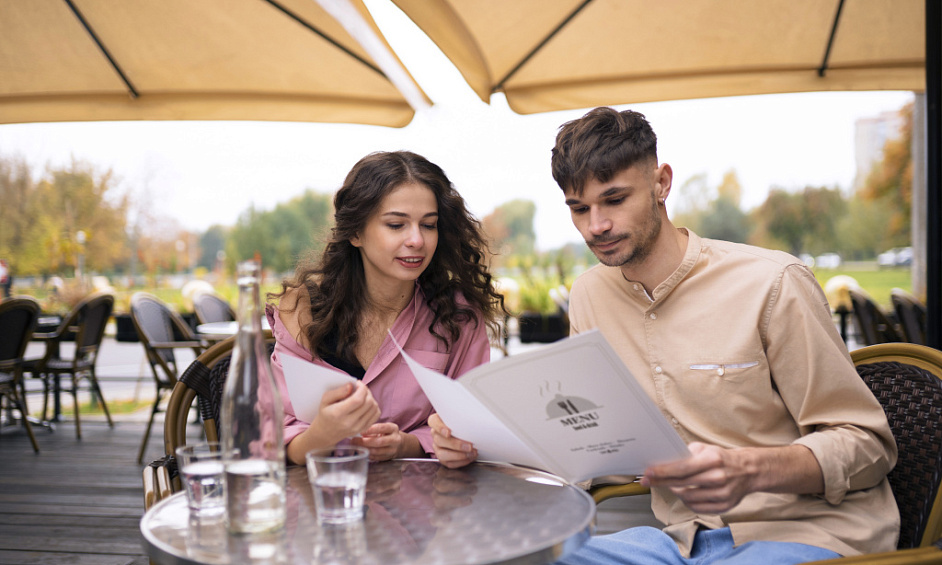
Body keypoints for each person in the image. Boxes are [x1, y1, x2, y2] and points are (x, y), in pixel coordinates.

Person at [431, 108, 899, 564]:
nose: (596, 226)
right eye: (579, 208)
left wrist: (753, 469)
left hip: (805, 533)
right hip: (677, 541)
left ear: (661, 184)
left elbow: (867, 444)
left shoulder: (773, 283)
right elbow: (598, 447)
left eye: (614, 200)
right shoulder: (590, 295)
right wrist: (482, 444)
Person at [268, 150, 506, 466]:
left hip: (427, 503)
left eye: (429, 225)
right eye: (396, 225)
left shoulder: (459, 317)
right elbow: (277, 441)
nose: (417, 240)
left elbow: (473, 429)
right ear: (354, 232)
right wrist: (323, 434)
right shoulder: (304, 310)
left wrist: (407, 444)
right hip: (322, 500)